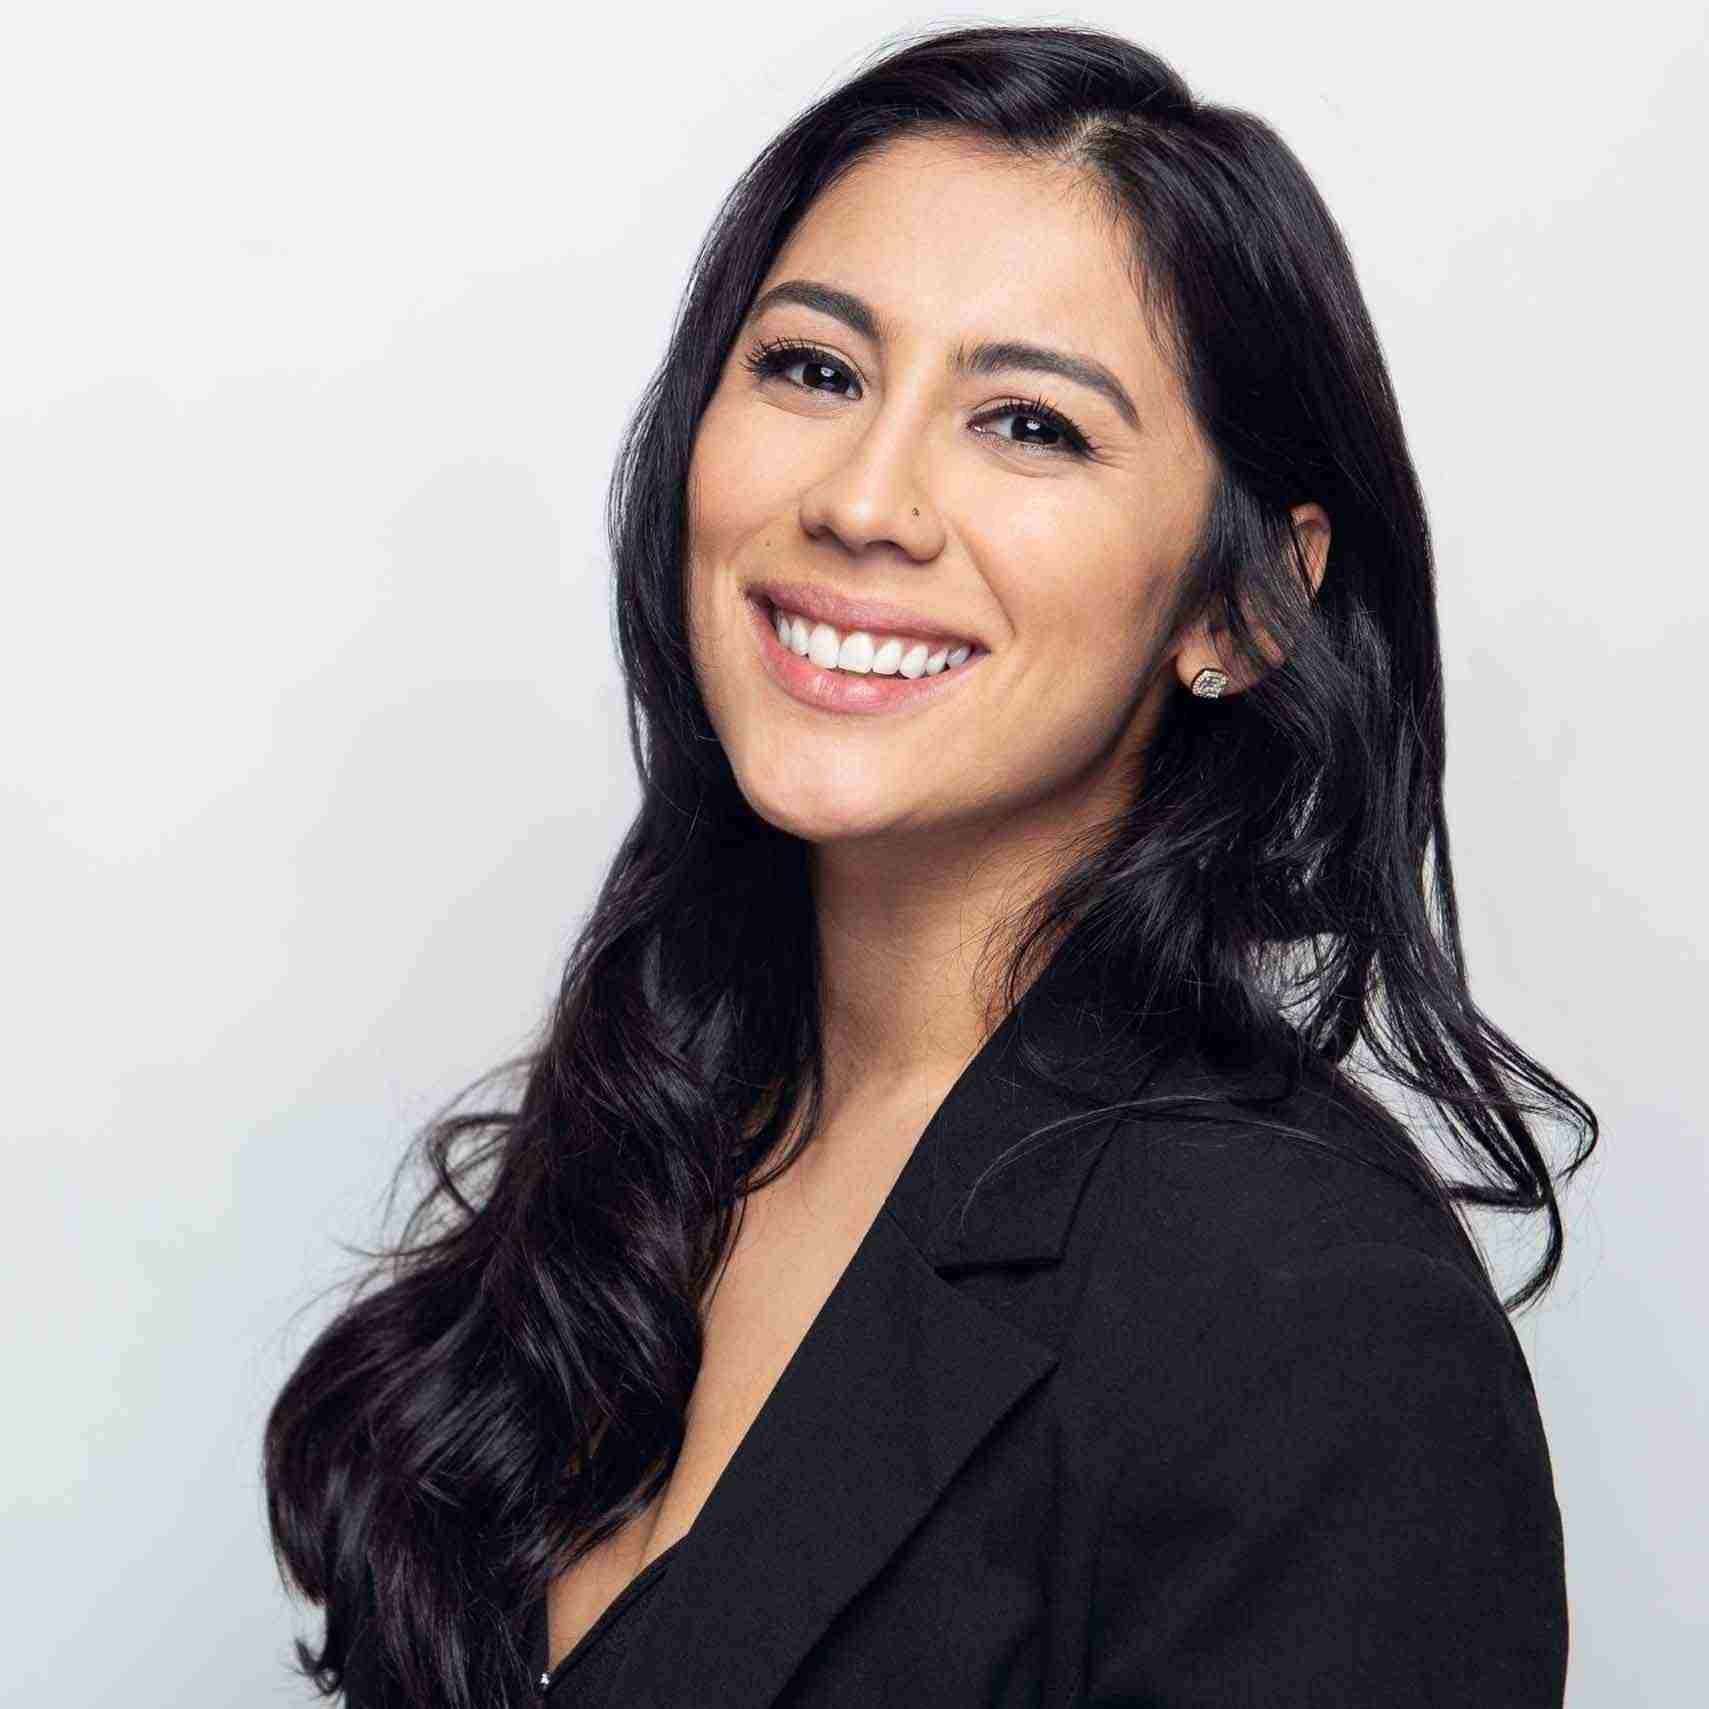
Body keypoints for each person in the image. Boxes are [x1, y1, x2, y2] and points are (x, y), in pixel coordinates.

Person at [264, 21, 1597, 1708]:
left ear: (1243, 601)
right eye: (814, 370)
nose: (865, 499)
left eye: (1029, 424)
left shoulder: (1311, 1317)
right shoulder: (660, 1114)